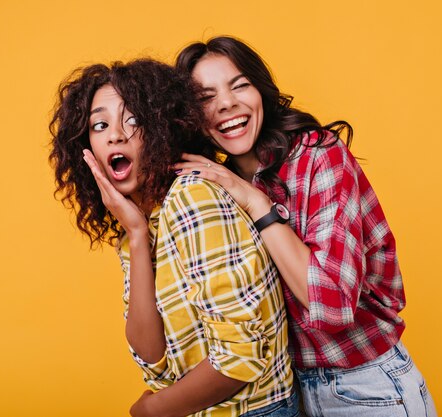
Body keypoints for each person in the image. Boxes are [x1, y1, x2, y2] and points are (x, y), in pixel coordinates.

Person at [174, 36, 437, 417]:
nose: (226, 103)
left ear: (260, 91)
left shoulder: (318, 155)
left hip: (367, 387)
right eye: (205, 97)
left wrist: (258, 204)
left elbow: (331, 306)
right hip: (286, 394)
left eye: (239, 85)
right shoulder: (215, 185)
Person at [49, 59, 298, 417]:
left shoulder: (192, 197)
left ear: (162, 127)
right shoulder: (142, 220)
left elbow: (241, 358)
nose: (116, 135)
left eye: (133, 120)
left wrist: (154, 409)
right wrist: (135, 237)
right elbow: (151, 355)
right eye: (99, 124)